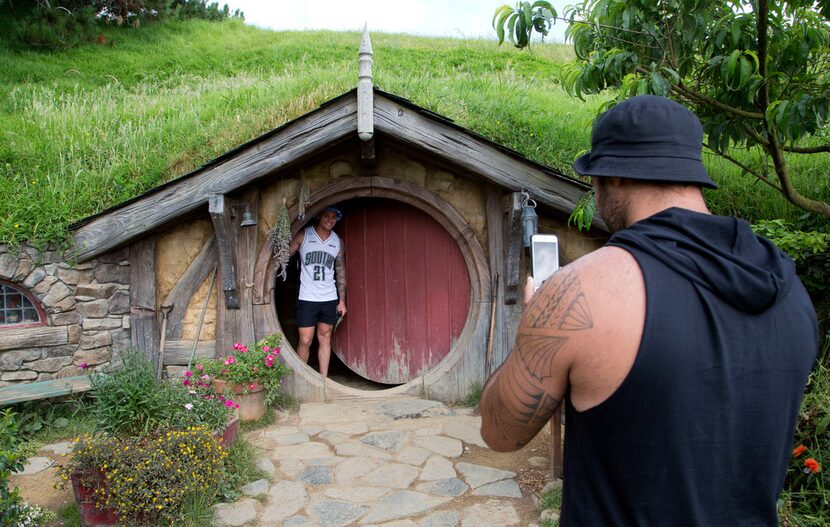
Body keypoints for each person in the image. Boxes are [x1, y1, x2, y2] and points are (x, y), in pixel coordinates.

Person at [480, 95, 818, 525]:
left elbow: (500, 431)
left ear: (614, 175)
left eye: (595, 181)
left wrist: (534, 324)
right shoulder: (789, 290)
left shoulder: (578, 292)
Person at [289, 206, 347, 378]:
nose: (330, 220)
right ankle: (301, 380)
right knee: (305, 340)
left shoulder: (337, 242)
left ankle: (323, 381)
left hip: (329, 297)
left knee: (325, 338)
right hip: (307, 297)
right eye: (326, 216)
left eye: (334, 217)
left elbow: (341, 271)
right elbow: (283, 256)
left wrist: (341, 300)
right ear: (318, 217)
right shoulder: (304, 235)